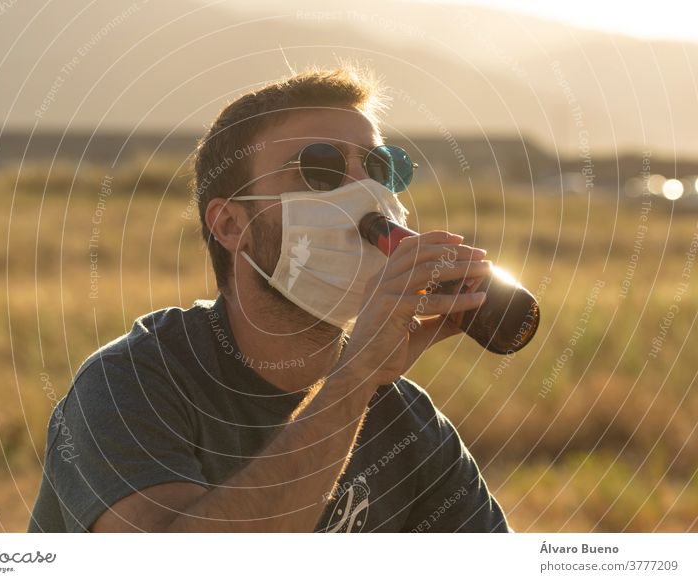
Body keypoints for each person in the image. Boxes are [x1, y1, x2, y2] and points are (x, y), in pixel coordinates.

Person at [28, 64, 512, 533]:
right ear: (231, 225)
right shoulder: (129, 384)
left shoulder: (407, 420)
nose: (366, 193)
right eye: (320, 169)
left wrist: (360, 380)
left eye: (380, 169)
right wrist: (355, 379)